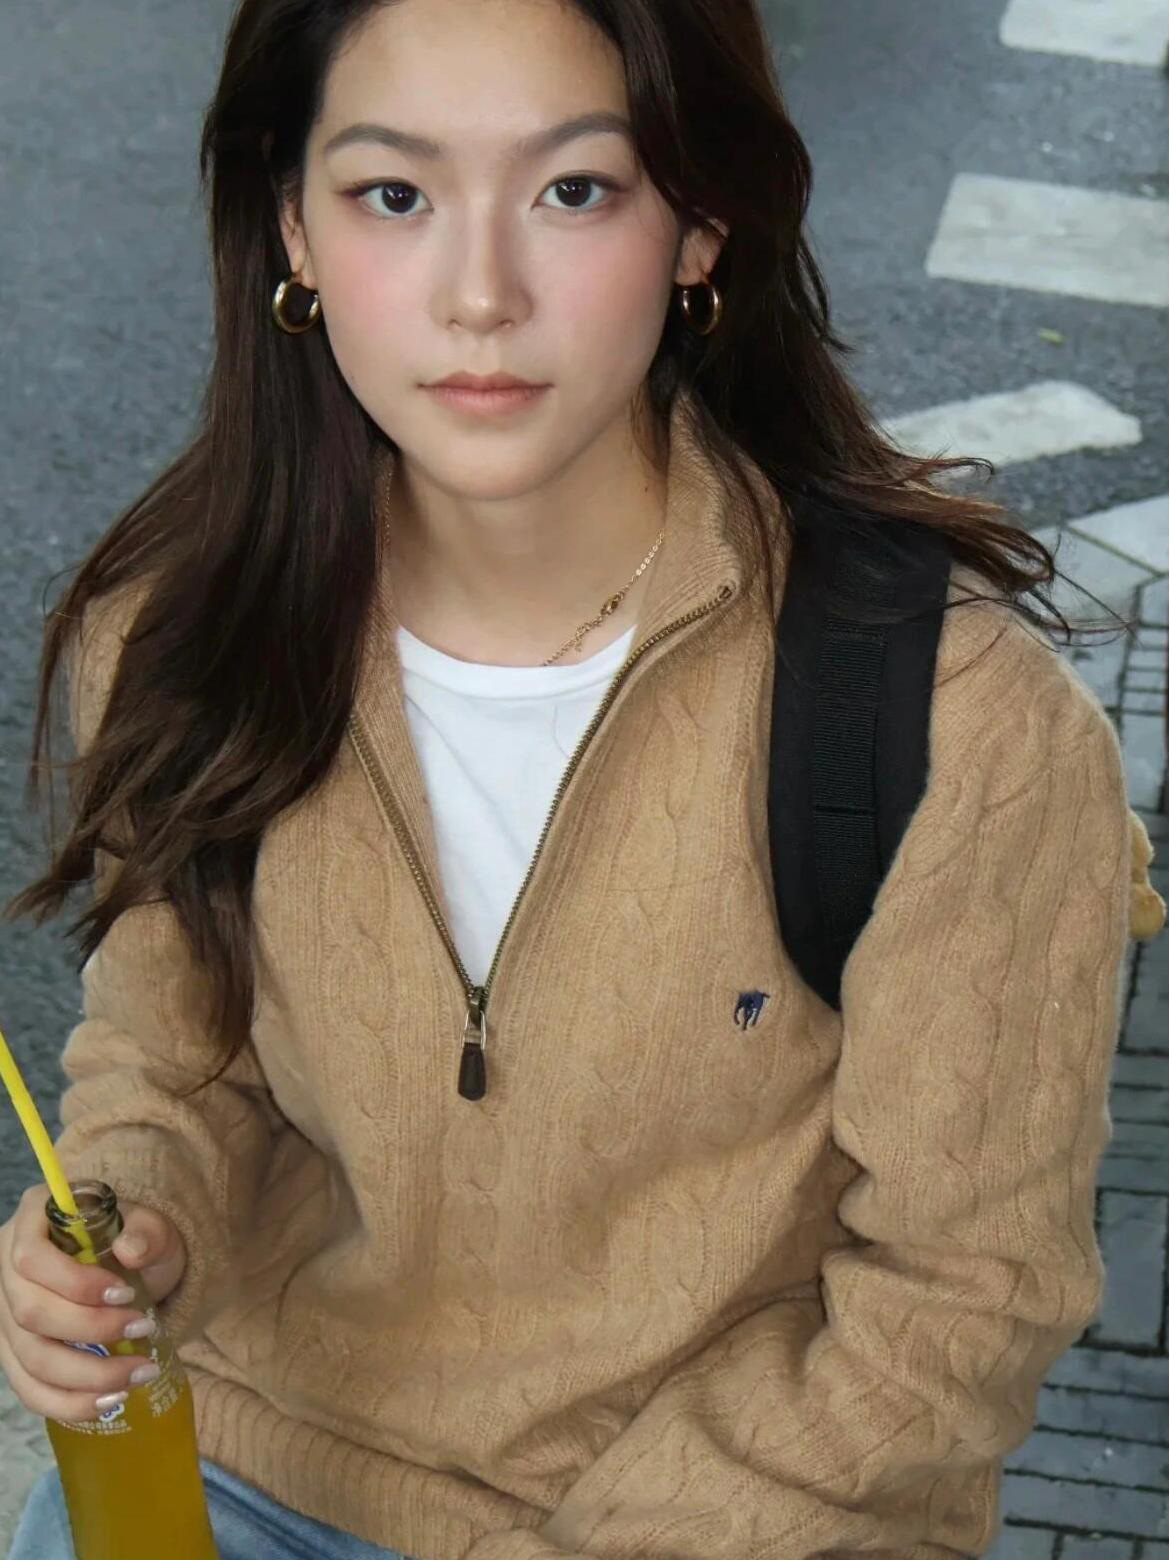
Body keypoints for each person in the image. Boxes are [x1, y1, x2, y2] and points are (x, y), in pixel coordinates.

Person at [0, 0, 1142, 1556]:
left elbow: (959, 1298)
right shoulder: (187, 631)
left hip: (729, 1521)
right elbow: (173, 1055)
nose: (479, 294)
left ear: (699, 226)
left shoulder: (959, 724)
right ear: (294, 229)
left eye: (574, 189)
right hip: (254, 1463)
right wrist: (135, 1222)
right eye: (392, 193)